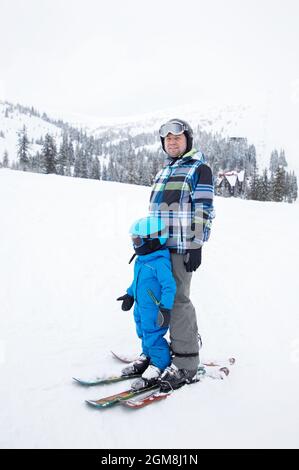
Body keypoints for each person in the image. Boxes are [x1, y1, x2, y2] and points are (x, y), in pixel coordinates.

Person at [149, 118, 215, 392]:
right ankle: (160, 354)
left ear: (188, 140)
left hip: (181, 247)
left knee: (178, 301)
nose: (172, 141)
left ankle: (187, 363)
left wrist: (196, 244)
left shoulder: (200, 169)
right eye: (167, 138)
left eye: (177, 136)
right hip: (157, 247)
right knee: (155, 297)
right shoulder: (165, 170)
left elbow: (203, 208)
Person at [117, 216, 176, 390]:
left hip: (154, 309)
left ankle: (159, 363)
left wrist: (165, 308)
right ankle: (148, 356)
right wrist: (129, 294)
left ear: (152, 241)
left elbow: (169, 287)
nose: (134, 243)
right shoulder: (141, 260)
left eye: (137, 239)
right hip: (141, 307)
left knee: (153, 334)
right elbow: (138, 282)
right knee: (142, 331)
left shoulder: (159, 262)